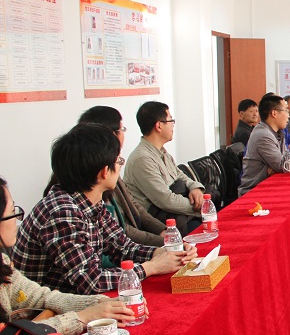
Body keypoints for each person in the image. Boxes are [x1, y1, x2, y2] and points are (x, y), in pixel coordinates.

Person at [14, 124, 196, 296]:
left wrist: (164, 253)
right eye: (119, 161)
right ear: (104, 171)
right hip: (47, 311)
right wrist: (152, 267)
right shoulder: (62, 212)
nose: (120, 166)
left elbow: (122, 247)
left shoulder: (91, 201)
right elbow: (90, 281)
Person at [1, 176, 135, 335]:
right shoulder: (61, 211)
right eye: (12, 212)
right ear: (102, 171)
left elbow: (43, 297)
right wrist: (83, 317)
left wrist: (99, 302)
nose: (16, 220)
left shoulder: (3, 262)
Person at [77, 106, 166, 249]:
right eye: (122, 129)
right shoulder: (70, 210)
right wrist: (162, 243)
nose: (120, 164)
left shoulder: (109, 171)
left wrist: (164, 232)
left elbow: (120, 241)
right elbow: (122, 231)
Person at [125, 101, 205, 235]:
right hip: (162, 224)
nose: (173, 125)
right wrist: (201, 206)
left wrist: (194, 187)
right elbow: (166, 200)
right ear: (159, 126)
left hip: (179, 215)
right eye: (171, 120)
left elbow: (179, 174)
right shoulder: (142, 159)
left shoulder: (161, 152)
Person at [239, 94, 290, 196]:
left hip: (269, 186)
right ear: (274, 113)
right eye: (286, 110)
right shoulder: (263, 135)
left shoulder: (277, 132)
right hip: (254, 192)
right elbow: (284, 164)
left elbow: (285, 158)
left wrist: (278, 166)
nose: (289, 115)